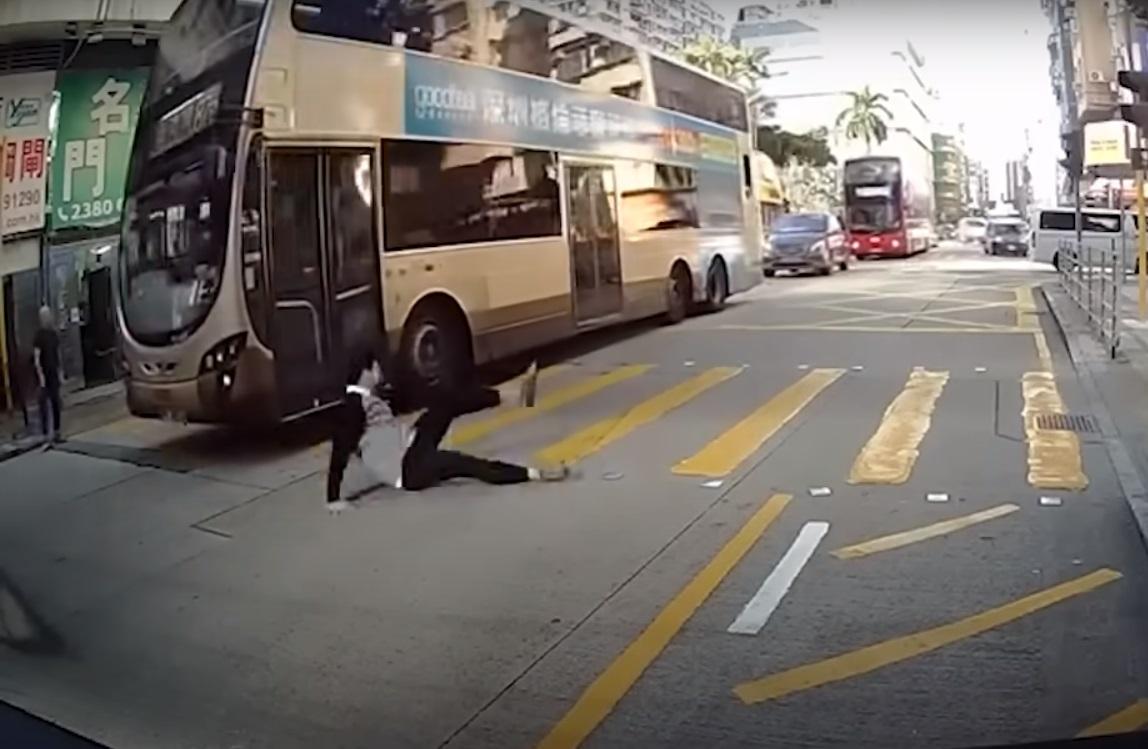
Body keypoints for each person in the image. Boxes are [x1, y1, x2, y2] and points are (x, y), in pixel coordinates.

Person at [325, 348, 568, 511]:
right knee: (464, 463)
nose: (381, 372)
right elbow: (340, 449)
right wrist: (333, 498)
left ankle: (514, 396)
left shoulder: (371, 397)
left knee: (446, 404)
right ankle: (534, 474)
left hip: (412, 445)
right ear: (366, 373)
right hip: (409, 469)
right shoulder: (352, 406)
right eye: (377, 368)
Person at [32, 306, 61, 443]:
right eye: (44, 316)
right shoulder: (39, 336)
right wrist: (41, 376)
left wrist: (60, 373)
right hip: (44, 374)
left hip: (53, 372)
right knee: (43, 405)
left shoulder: (53, 334)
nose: (47, 318)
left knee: (56, 402)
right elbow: (37, 358)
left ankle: (56, 432)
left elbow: (57, 354)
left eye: (48, 315)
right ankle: (45, 434)